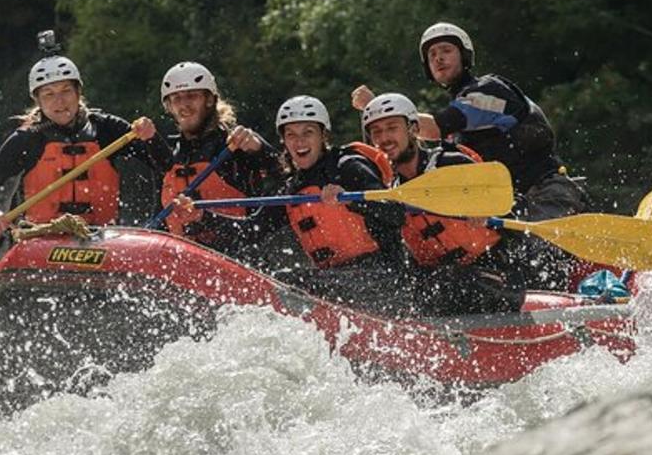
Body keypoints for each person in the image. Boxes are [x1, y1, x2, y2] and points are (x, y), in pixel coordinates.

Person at [170, 95, 406, 303]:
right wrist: (202, 215)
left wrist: (351, 201)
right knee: (270, 279)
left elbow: (395, 214)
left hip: (382, 276)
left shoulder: (348, 166)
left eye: (308, 133)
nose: (299, 142)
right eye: (291, 135)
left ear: (323, 135)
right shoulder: (292, 189)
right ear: (284, 141)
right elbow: (251, 230)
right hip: (339, 281)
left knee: (289, 281)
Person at [352, 21, 588, 221]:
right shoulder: (458, 127)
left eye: (446, 50)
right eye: (432, 55)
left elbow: (433, 128)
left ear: (464, 55)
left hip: (547, 191)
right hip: (509, 204)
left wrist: (378, 107)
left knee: (534, 254)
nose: (438, 58)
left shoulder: (487, 90)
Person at [0, 36, 169, 238]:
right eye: (49, 94)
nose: (60, 101)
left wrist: (152, 138)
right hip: (39, 239)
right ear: (37, 100)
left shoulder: (106, 129)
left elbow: (166, 166)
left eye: (66, 90)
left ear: (78, 92)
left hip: (100, 238)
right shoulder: (27, 139)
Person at [361, 92, 522, 313]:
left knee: (446, 281)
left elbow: (514, 216)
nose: (384, 138)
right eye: (376, 132)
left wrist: (489, 215)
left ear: (414, 130)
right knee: (396, 287)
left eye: (392, 128)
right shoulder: (389, 193)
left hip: (497, 276)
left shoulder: (451, 164)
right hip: (439, 284)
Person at [156, 61, 280, 248]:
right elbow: (159, 219)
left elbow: (285, 171)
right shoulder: (169, 157)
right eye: (176, 98)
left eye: (192, 96)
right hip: (183, 262)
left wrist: (260, 149)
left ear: (210, 100)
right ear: (169, 107)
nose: (184, 105)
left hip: (239, 257)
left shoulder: (235, 146)